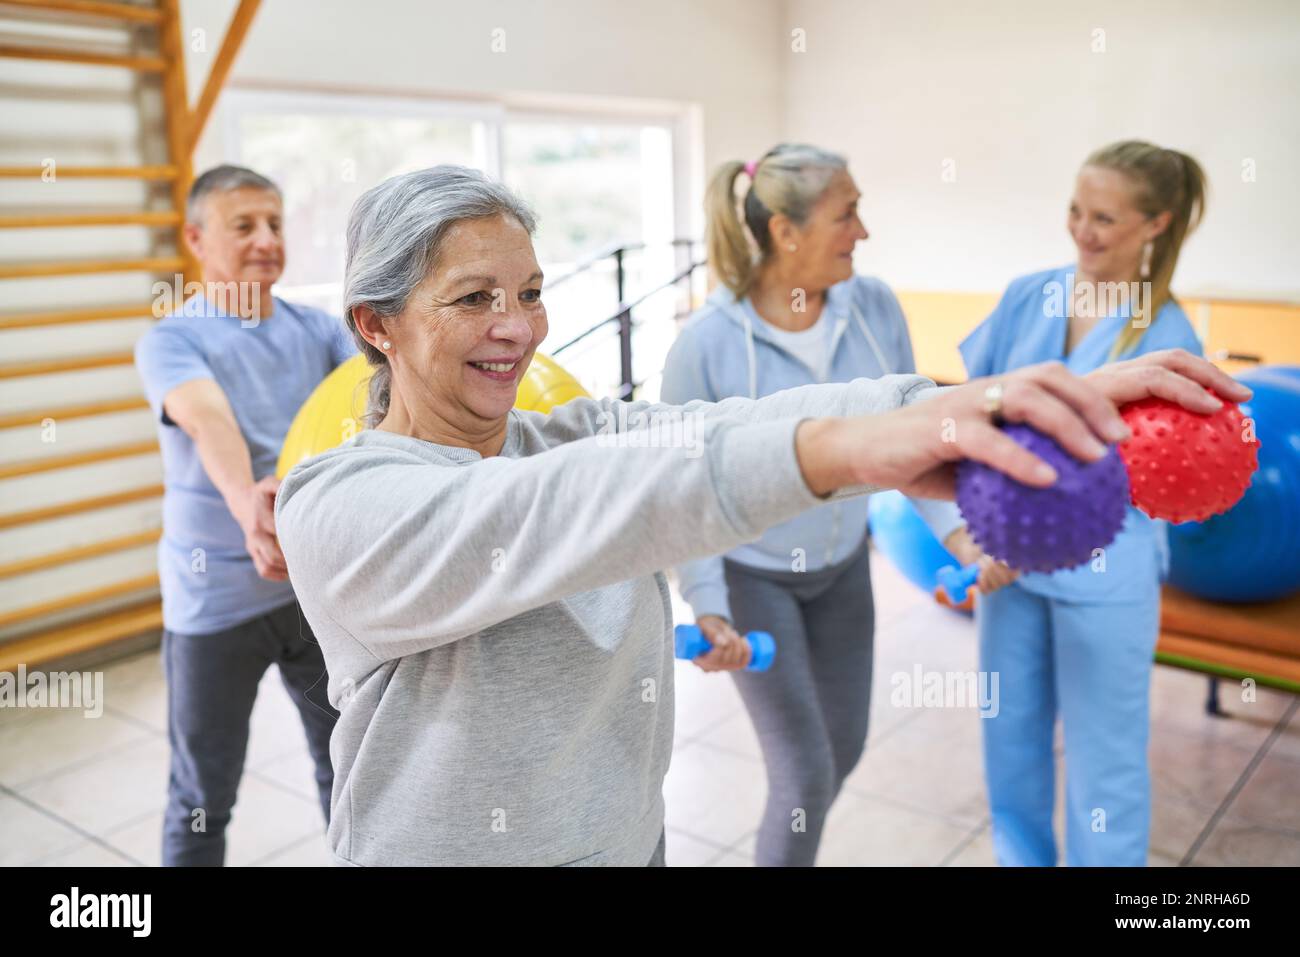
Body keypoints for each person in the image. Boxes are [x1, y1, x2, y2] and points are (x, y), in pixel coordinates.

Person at [273, 163, 1245, 867]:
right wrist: (847, 455)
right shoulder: (342, 506)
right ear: (375, 323)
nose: (518, 328)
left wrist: (968, 406)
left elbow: (722, 427)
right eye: (472, 299)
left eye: (528, 293)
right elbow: (587, 507)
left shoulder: (563, 434)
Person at [658, 143, 1014, 867]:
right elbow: (680, 486)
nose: (863, 231)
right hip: (754, 577)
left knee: (840, 750)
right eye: (846, 214)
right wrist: (706, 600)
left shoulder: (875, 306)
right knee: (805, 771)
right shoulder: (705, 343)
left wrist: (968, 538)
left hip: (844, 569)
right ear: (786, 230)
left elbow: (915, 439)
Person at [940, 140, 1209, 866]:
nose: (1082, 231)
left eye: (1105, 219)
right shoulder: (1030, 294)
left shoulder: (1170, 337)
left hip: (1105, 575)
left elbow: (1149, 479)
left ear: (1156, 224)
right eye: (1075, 211)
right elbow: (968, 423)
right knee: (1011, 741)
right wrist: (972, 538)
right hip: (1009, 564)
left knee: (1105, 760)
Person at [134, 165, 356, 866]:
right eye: (244, 225)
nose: (266, 240)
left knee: (349, 767)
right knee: (203, 793)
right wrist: (249, 509)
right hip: (216, 602)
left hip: (312, 589)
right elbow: (206, 419)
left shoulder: (319, 331)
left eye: (275, 224)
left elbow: (375, 405)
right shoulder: (172, 339)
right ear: (197, 238)